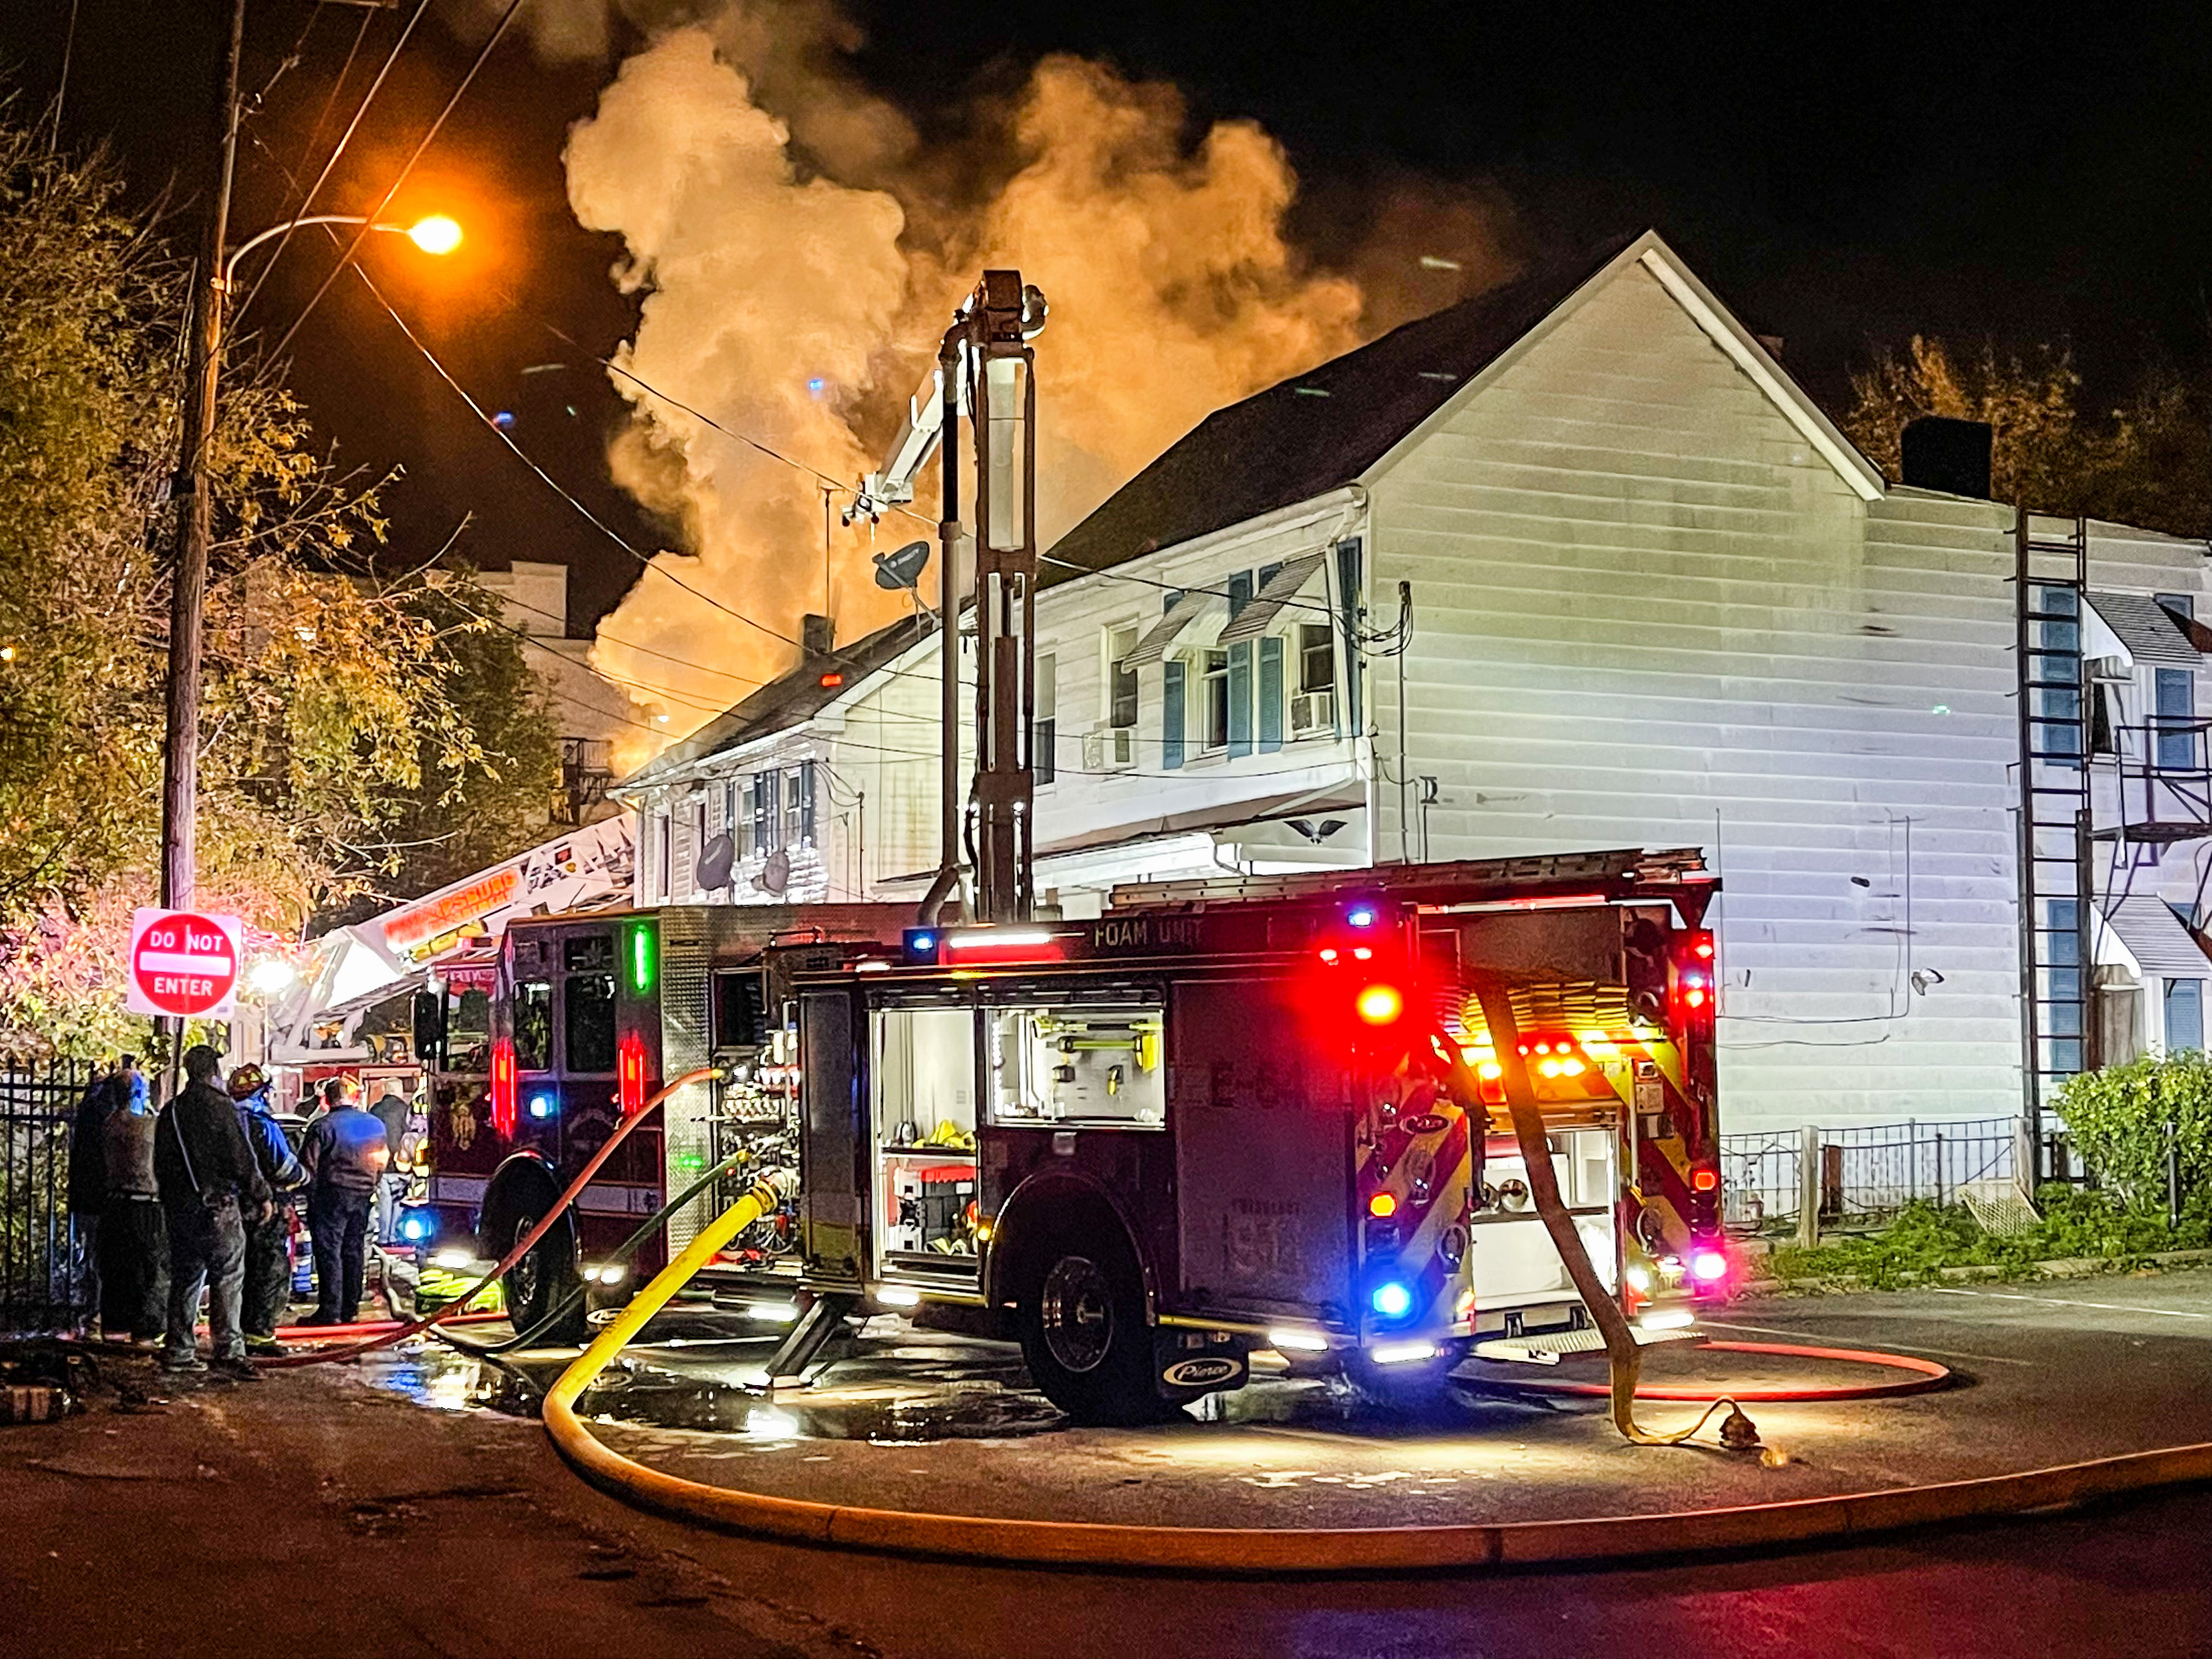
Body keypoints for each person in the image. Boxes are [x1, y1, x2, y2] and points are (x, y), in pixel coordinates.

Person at [153, 1046, 270, 1381]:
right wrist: (261, 1195)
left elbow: (161, 1163)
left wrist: (173, 1200)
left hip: (181, 1209)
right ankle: (229, 1351)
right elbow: (241, 1157)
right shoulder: (222, 1109)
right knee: (228, 1278)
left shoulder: (172, 1112)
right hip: (218, 1206)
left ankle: (179, 1350)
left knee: (186, 1278)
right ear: (213, 1072)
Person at [227, 1064, 306, 1355]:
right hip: (265, 1208)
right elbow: (283, 1167)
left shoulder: (227, 1120)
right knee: (269, 1270)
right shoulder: (262, 1123)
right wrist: (304, 1176)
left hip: (234, 1208)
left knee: (238, 1272)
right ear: (262, 1092)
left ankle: (237, 1333)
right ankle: (259, 1336)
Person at [298, 1079, 387, 1327]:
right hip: (362, 1196)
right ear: (355, 1097)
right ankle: (351, 1308)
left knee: (329, 1252)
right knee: (354, 1250)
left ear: (326, 1100)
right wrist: (371, 1184)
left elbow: (308, 1166)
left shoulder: (322, 1127)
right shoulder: (374, 1125)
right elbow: (381, 1160)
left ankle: (330, 1310)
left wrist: (307, 1193)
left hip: (331, 1197)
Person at [99, 1059, 167, 1346]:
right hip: (146, 1205)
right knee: (150, 1270)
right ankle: (146, 1331)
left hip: (115, 1205)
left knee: (117, 1269)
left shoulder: (109, 1124)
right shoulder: (148, 1127)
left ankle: (115, 1327)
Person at [66, 1059, 116, 1329]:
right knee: (102, 1259)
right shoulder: (103, 1113)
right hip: (100, 1199)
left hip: (85, 1197)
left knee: (92, 1257)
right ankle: (99, 1313)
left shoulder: (88, 1110)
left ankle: (93, 1311)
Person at [368, 1090, 413, 1244]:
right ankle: (394, 1235)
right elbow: (410, 1134)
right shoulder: (405, 1109)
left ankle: (384, 1236)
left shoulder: (375, 1109)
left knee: (384, 1201)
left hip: (380, 1164)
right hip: (401, 1164)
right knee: (399, 1200)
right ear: (398, 1091)